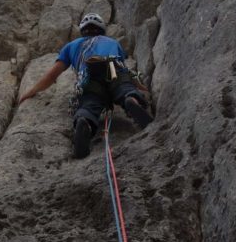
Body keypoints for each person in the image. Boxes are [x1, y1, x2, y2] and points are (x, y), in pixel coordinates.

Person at [18, 13, 152, 158]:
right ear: (101, 29)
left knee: (89, 103)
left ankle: (85, 120)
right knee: (124, 88)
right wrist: (139, 86)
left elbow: (52, 75)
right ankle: (131, 100)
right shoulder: (112, 42)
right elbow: (125, 69)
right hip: (113, 68)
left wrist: (31, 91)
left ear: (83, 30)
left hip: (88, 75)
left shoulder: (71, 46)